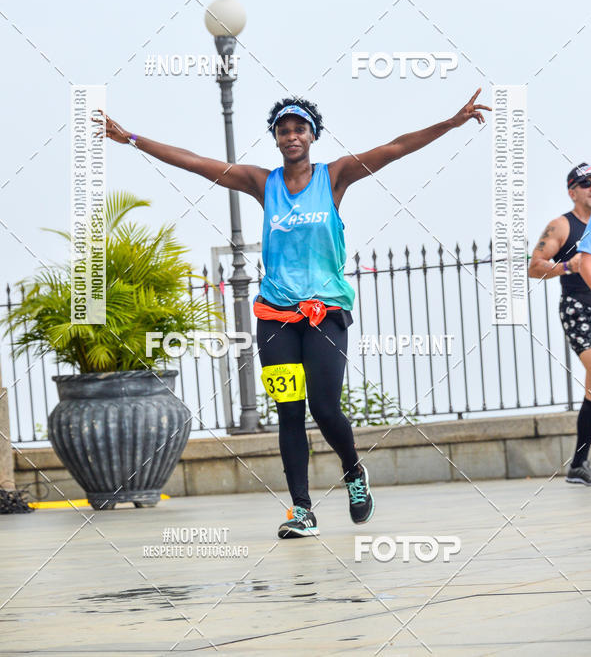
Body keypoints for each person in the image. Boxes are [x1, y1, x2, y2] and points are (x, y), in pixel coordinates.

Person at [96, 88, 489, 538]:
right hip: (274, 316)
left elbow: (396, 148)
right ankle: (302, 509)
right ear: (276, 138)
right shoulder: (263, 183)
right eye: (283, 130)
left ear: (312, 134)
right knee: (288, 410)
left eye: (299, 128)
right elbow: (195, 162)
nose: (291, 135)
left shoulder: (334, 176)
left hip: (325, 313)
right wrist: (130, 138)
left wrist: (451, 123)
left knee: (324, 408)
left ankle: (353, 472)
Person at [528, 163, 591, 485]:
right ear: (572, 192)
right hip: (578, 309)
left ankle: (578, 465)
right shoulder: (562, 225)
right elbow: (534, 267)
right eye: (586, 183)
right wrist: (567, 267)